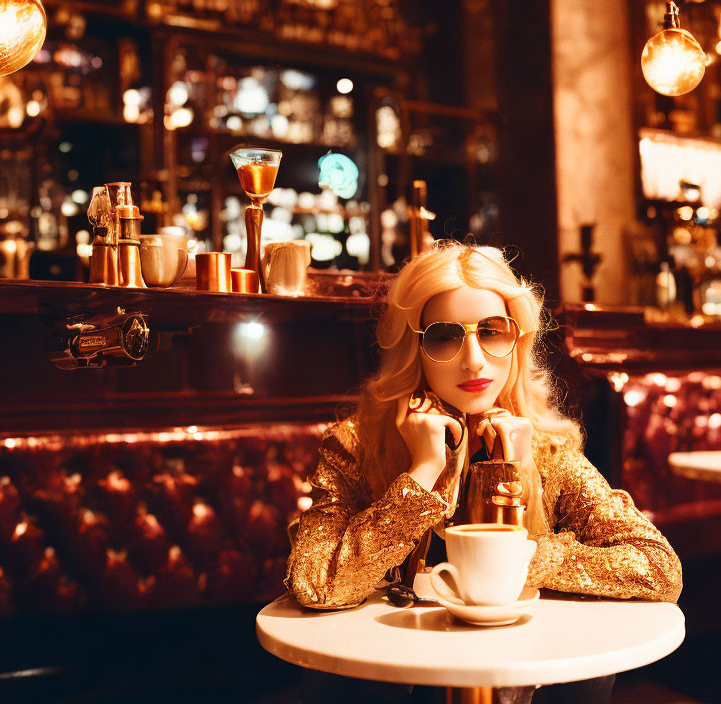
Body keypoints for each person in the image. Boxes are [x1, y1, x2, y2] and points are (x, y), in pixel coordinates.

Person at [286, 243, 682, 704]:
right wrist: (421, 476)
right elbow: (314, 581)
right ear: (413, 346)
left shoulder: (545, 448)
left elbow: (658, 568)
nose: (473, 359)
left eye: (492, 332)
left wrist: (512, 503)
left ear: (517, 341)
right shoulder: (355, 445)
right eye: (444, 336)